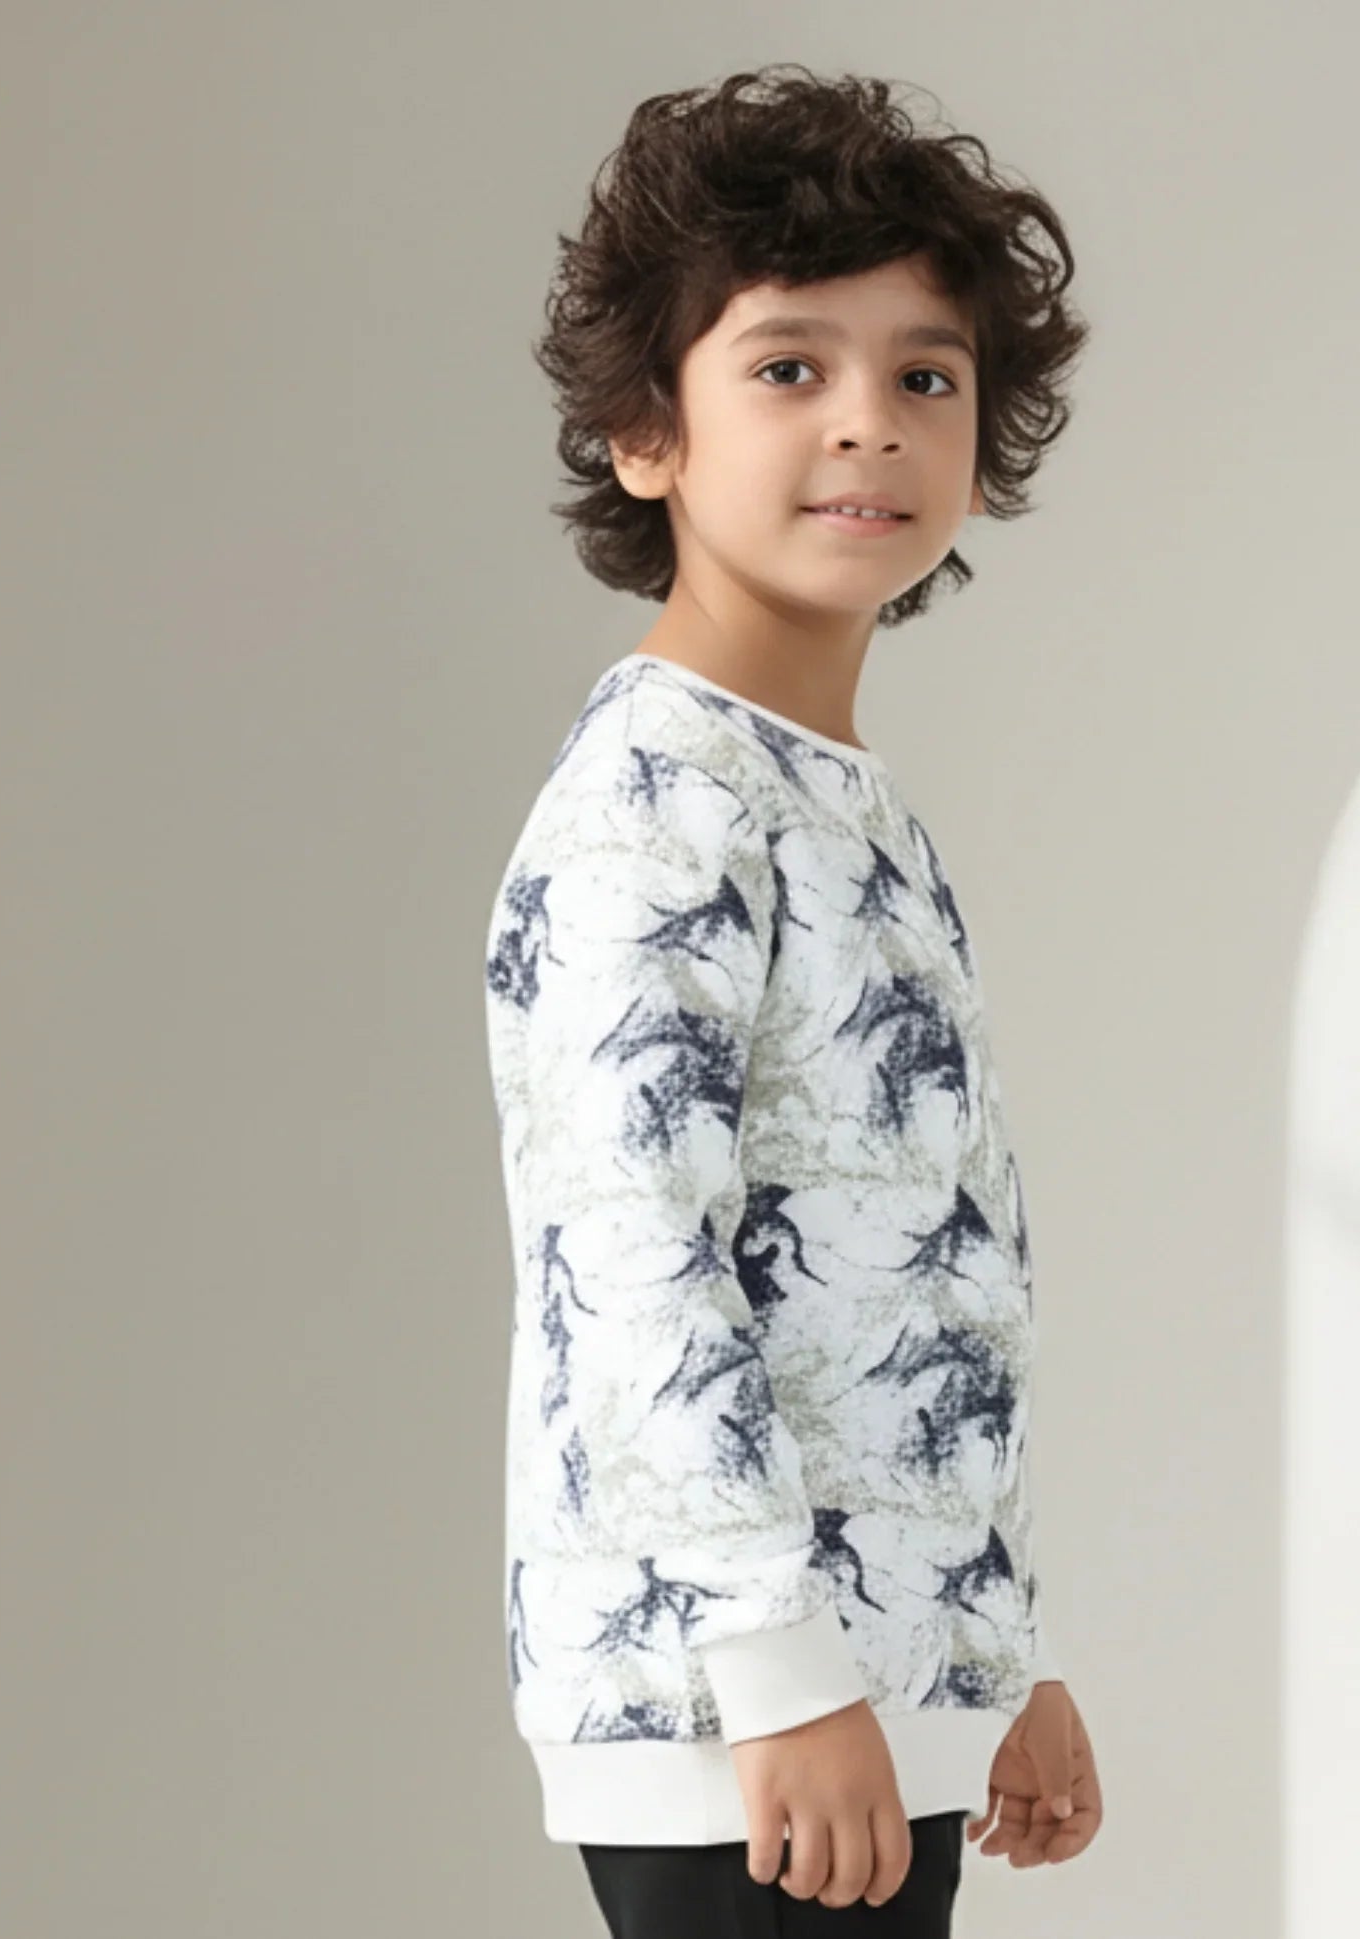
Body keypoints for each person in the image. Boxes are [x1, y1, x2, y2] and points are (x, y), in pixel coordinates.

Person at [483, 62, 1104, 1934]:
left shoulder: (835, 800)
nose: (868, 422)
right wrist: (780, 1676)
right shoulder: (655, 805)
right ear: (643, 433)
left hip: (869, 1688)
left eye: (925, 376)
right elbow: (632, 1259)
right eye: (786, 366)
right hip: (733, 1713)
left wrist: (993, 1657)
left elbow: (920, 1261)